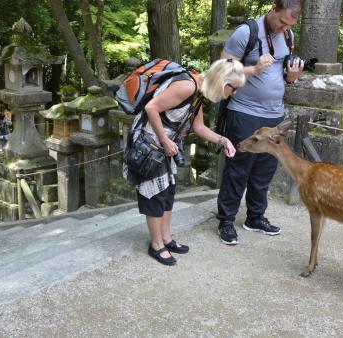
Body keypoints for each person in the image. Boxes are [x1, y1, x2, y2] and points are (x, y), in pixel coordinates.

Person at [126, 59, 246, 265]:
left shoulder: (199, 93)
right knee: (154, 194)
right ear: (222, 82)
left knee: (168, 192)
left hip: (166, 146)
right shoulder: (187, 86)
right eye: (233, 88)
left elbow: (198, 127)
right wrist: (164, 140)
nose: (233, 93)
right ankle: (156, 245)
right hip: (149, 144)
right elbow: (151, 108)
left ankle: (166, 238)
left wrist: (223, 140)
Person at [217, 0, 304, 245]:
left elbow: (283, 75)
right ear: (272, 9)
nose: (283, 28)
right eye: (281, 21)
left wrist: (293, 77)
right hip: (244, 111)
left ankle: (255, 217)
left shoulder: (288, 36)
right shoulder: (247, 32)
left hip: (274, 113)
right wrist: (253, 69)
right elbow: (223, 70)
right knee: (239, 168)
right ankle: (226, 220)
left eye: (289, 25)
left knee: (264, 170)